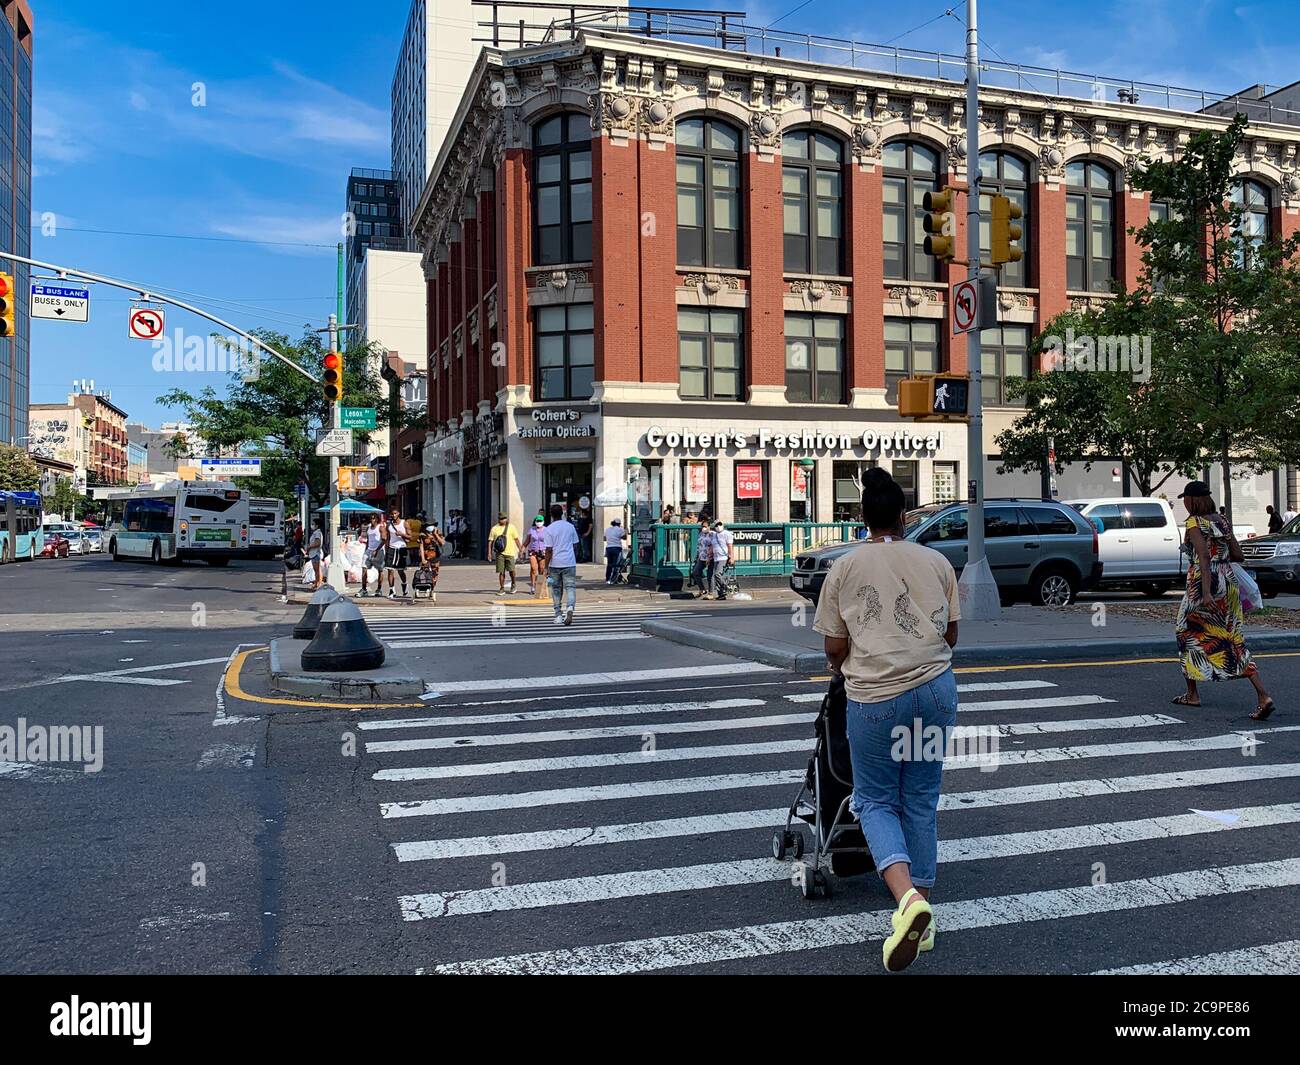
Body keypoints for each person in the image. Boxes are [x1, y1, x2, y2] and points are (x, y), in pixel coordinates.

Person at [813, 467, 960, 973]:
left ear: (861, 517)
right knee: (920, 796)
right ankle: (923, 912)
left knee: (875, 799)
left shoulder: (845, 567)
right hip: (935, 690)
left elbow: (834, 646)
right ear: (904, 516)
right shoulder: (938, 561)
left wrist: (851, 658)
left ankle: (908, 903)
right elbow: (952, 635)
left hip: (875, 696)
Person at [1172, 481, 1275, 720]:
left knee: (1184, 632)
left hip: (1203, 583)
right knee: (1231, 636)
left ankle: (1192, 694)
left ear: (1192, 500)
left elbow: (1205, 558)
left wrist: (1206, 592)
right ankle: (1263, 695)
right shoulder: (1222, 521)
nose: (1184, 503)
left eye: (1185, 499)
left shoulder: (1194, 522)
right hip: (1228, 580)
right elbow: (1238, 554)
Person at [543, 503, 580, 626]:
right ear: (562, 513)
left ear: (551, 515)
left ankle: (558, 615)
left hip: (555, 563)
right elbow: (575, 545)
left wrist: (545, 566)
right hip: (569, 562)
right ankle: (570, 607)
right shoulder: (570, 527)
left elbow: (548, 550)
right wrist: (572, 556)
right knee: (570, 587)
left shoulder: (549, 529)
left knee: (556, 589)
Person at [487, 511, 522, 594]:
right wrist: (489, 553)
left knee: (512, 571)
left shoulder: (511, 527)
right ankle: (502, 588)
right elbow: (490, 541)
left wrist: (520, 549)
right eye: (501, 519)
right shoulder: (494, 529)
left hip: (510, 553)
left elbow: (516, 539)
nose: (503, 520)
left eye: (504, 518)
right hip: (500, 553)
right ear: (498, 519)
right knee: (501, 571)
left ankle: (513, 583)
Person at [384, 506, 411, 599]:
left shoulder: (404, 523)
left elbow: (410, 537)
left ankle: (405, 585)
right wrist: (386, 549)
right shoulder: (389, 525)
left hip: (401, 548)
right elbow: (388, 538)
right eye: (392, 514)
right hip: (392, 548)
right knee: (390, 570)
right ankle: (392, 590)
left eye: (395, 513)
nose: (394, 515)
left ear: (398, 513)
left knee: (400, 570)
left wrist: (402, 534)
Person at [356, 513, 385, 598]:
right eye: (371, 518)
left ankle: (379, 589)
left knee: (380, 570)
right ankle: (364, 589)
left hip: (379, 551)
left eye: (374, 518)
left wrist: (377, 549)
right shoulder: (368, 528)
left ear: (377, 519)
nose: (372, 520)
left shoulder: (380, 527)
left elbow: (384, 539)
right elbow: (368, 539)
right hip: (369, 550)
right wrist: (366, 550)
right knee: (364, 568)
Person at [415, 522, 445, 602]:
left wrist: (435, 534)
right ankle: (425, 587)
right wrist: (423, 559)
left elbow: (442, 543)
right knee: (425, 572)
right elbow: (421, 547)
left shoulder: (438, 532)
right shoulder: (422, 534)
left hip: (435, 555)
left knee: (434, 574)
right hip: (426, 555)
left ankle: (432, 588)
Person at [523, 514, 549, 597]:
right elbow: (527, 541)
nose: (539, 523)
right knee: (534, 569)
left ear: (543, 522)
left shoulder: (546, 530)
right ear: (535, 522)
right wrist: (522, 549)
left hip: (543, 552)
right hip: (533, 551)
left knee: (541, 569)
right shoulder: (531, 530)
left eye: (540, 521)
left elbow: (550, 541)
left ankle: (540, 586)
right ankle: (533, 587)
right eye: (537, 521)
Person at [690, 515, 716, 599]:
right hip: (701, 557)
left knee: (710, 575)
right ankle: (702, 589)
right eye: (702, 526)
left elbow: (713, 546)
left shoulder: (712, 534)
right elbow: (699, 546)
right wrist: (697, 556)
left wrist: (710, 557)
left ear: (709, 526)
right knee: (695, 572)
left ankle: (711, 593)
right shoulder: (701, 534)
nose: (703, 528)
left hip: (710, 557)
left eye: (705, 526)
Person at [710, 519, 735, 600]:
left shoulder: (727, 534)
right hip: (716, 557)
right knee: (715, 575)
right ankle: (721, 594)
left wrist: (731, 557)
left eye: (719, 524)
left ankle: (724, 585)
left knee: (717, 574)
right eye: (716, 525)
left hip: (723, 557)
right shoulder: (714, 535)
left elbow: (730, 546)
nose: (718, 526)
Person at [603, 518, 628, 584]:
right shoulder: (620, 529)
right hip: (617, 548)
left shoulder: (607, 529)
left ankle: (607, 579)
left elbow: (604, 538)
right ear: (619, 524)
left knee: (609, 564)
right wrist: (625, 532)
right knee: (616, 564)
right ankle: (614, 579)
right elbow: (624, 538)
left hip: (609, 548)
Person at [306, 518, 325, 590]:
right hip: (314, 553)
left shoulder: (317, 533)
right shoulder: (316, 532)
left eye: (313, 524)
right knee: (316, 570)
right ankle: (317, 583)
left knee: (317, 570)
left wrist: (309, 547)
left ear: (317, 525)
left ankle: (318, 583)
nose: (312, 525)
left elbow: (318, 543)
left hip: (316, 553)